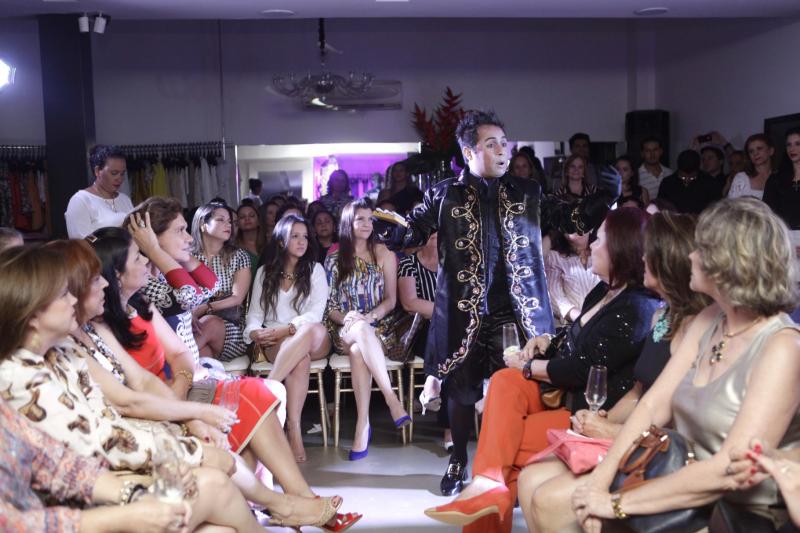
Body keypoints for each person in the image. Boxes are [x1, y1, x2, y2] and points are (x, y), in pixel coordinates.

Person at [372, 109, 621, 496]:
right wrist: (389, 229)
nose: (503, 151)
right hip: (463, 312)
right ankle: (458, 461)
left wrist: (605, 197)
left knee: (523, 389)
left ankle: (517, 466)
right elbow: (413, 232)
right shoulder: (444, 193)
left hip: (519, 313)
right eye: (492, 144)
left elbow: (572, 220)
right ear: (469, 151)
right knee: (460, 391)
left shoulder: (528, 191)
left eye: (505, 143)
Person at [0, 245, 296, 533]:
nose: (74, 300)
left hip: (114, 466)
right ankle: (287, 505)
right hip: (89, 498)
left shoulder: (64, 350)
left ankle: (288, 503)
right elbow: (99, 437)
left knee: (221, 511)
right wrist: (179, 454)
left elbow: (67, 466)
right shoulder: (21, 378)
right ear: (32, 311)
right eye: (64, 294)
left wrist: (142, 483)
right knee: (216, 480)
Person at [88, 227, 360, 531]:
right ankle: (289, 504)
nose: (145, 261)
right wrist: (184, 406)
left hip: (177, 388)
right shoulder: (101, 325)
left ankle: (295, 499)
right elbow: (138, 388)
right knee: (249, 404)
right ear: (117, 274)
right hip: (159, 403)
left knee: (257, 393)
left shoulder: (140, 304)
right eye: (138, 257)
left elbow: (179, 353)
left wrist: (180, 385)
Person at [566, 198, 800, 533]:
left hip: (744, 515)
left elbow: (727, 470)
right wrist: (598, 484)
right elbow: (652, 405)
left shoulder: (783, 346)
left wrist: (616, 503)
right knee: (576, 508)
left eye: (701, 249)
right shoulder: (709, 318)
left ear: (729, 262)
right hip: (683, 485)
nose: (690, 255)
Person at [423, 207, 659, 530]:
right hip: (560, 392)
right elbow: (576, 338)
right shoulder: (603, 291)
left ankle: (486, 485)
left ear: (621, 248)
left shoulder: (636, 308)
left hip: (586, 409)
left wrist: (530, 367)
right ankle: (486, 485)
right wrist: (546, 340)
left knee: (505, 448)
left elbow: (581, 369)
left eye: (600, 238)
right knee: (505, 380)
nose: (591, 244)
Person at [518, 211, 711, 532]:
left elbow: (671, 412)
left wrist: (611, 431)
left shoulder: (693, 324)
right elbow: (640, 393)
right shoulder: (663, 316)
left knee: (548, 498)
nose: (642, 257)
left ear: (669, 260)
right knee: (529, 478)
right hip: (640, 432)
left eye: (650, 251)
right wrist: (601, 421)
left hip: (669, 449)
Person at [324, 198, 410, 461]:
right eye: (359, 219)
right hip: (344, 326)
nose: (366, 224)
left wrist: (370, 317)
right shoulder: (334, 258)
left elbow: (391, 301)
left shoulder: (385, 253)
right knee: (358, 331)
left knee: (358, 350)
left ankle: (362, 424)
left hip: (380, 326)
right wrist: (350, 318)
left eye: (369, 219)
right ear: (347, 223)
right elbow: (330, 307)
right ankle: (392, 400)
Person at [244, 214, 331, 463]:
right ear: (281, 241)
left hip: (313, 336)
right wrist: (254, 332)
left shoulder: (315, 269)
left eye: (305, 236)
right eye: (295, 236)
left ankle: (266, 392)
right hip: (277, 341)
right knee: (300, 360)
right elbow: (255, 314)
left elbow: (316, 313)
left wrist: (286, 330)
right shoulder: (265, 273)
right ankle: (294, 429)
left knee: (308, 329)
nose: (302, 241)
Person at [129, 197, 218, 362]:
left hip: (192, 369)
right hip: (173, 374)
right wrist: (153, 249)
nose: (190, 238)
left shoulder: (163, 274)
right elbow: (190, 296)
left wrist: (181, 255)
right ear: (151, 236)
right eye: (180, 230)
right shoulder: (141, 282)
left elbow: (212, 285)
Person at [398, 232, 451, 446]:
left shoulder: (454, 261)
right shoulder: (409, 264)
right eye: (429, 230)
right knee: (445, 338)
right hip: (421, 330)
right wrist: (447, 313)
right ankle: (450, 430)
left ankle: (433, 381)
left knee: (452, 352)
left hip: (451, 332)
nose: (435, 234)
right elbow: (410, 303)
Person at [189, 201, 251, 362]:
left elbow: (237, 298)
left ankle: (175, 362)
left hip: (232, 328)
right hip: (194, 324)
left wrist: (205, 307)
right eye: (220, 220)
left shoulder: (239, 256)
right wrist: (191, 315)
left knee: (208, 323)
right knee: (203, 352)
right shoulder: (188, 257)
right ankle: (208, 375)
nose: (228, 225)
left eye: (229, 221)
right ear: (203, 224)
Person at [65, 145, 135, 238]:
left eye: (122, 174)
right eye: (114, 173)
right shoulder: (80, 201)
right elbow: (80, 242)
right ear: (97, 171)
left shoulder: (125, 199)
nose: (120, 179)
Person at [763, 127, 800, 273]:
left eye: (798, 144)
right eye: (788, 144)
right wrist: (781, 243)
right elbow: (768, 214)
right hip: (784, 241)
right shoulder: (775, 179)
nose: (792, 148)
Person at [545, 230, 601, 324]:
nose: (579, 230)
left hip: (605, 317)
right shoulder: (554, 257)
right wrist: (582, 319)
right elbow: (556, 299)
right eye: (573, 227)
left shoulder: (602, 249)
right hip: (576, 323)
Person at [657, 149, 723, 214]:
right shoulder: (667, 183)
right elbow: (660, 206)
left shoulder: (710, 183)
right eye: (683, 177)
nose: (687, 180)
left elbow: (717, 209)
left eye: (691, 178)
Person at [728, 133, 776, 200]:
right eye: (751, 151)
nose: (755, 153)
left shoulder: (780, 177)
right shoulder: (741, 178)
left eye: (759, 148)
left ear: (771, 151)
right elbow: (731, 204)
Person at [234, 202, 264, 274]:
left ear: (258, 221)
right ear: (238, 223)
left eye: (251, 216)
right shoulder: (234, 247)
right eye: (242, 217)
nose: (247, 219)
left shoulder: (269, 243)